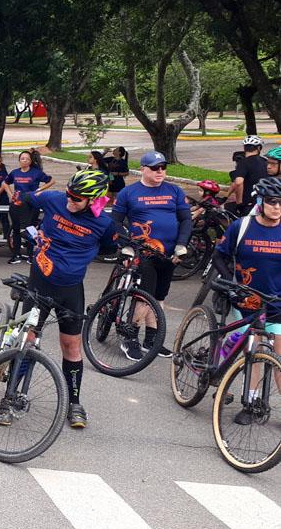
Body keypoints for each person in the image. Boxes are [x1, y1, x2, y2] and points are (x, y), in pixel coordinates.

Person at [16, 169, 118, 429]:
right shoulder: (53, 199)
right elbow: (25, 199)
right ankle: (12, 394)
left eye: (77, 198)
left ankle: (74, 402)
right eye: (69, 195)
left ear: (94, 199)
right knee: (28, 339)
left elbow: (108, 247)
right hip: (39, 282)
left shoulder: (104, 224)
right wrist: (31, 230)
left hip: (70, 289)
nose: (70, 200)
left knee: (71, 346)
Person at [212, 176, 281, 426]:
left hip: (277, 303)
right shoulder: (241, 227)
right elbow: (220, 256)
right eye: (272, 202)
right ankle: (251, 402)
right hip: (246, 302)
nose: (277, 207)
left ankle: (229, 346)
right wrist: (231, 284)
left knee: (278, 358)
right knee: (254, 349)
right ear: (261, 202)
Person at [110, 151, 192, 360]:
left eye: (163, 167)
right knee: (144, 297)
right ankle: (130, 338)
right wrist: (126, 244)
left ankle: (152, 339)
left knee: (159, 297)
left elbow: (185, 220)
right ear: (143, 169)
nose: (160, 172)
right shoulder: (129, 193)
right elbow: (116, 221)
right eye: (155, 168)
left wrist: (182, 245)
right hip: (142, 252)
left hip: (169, 253)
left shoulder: (174, 191)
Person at [1, 150, 54, 264]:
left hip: (31, 203)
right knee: (15, 229)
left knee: (30, 229)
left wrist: (39, 190)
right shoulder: (15, 172)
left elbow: (51, 181)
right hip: (17, 203)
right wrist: (10, 195)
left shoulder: (36, 172)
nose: (24, 160)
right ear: (19, 160)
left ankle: (31, 256)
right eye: (22, 158)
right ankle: (16, 255)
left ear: (30, 161)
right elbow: (5, 183)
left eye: (27, 159)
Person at [228, 135, 269, 216]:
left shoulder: (243, 163)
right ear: (259, 148)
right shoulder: (265, 161)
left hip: (248, 203)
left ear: (244, 148)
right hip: (264, 201)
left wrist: (239, 203)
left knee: (226, 211)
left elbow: (238, 182)